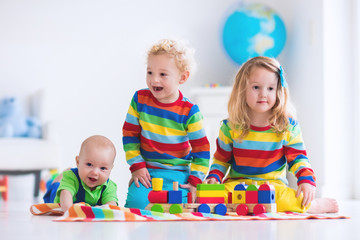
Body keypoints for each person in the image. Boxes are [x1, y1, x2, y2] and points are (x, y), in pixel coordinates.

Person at [204, 56, 338, 214]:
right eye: (256, 87)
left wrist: (306, 180)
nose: (263, 94)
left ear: (278, 91)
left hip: (272, 188)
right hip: (239, 185)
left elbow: (298, 159)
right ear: (242, 90)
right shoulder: (231, 127)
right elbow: (221, 159)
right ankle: (244, 204)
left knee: (288, 199)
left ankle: (314, 206)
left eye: (270, 88)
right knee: (209, 196)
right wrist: (214, 177)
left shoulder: (287, 127)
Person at [123, 39, 210, 209]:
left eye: (163, 74)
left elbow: (202, 150)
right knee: (136, 205)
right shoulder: (139, 100)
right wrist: (137, 167)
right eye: (150, 72)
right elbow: (129, 136)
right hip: (147, 173)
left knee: (182, 207)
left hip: (179, 175)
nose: (154, 80)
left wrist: (194, 182)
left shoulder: (190, 111)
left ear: (182, 77)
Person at [43, 135, 118, 212]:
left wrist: (102, 209)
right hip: (59, 198)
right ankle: (53, 177)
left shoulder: (109, 186)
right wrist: (70, 211)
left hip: (83, 206)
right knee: (54, 187)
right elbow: (66, 195)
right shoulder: (71, 177)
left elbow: (112, 205)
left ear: (110, 169)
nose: (95, 172)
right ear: (78, 162)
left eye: (103, 168)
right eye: (89, 164)